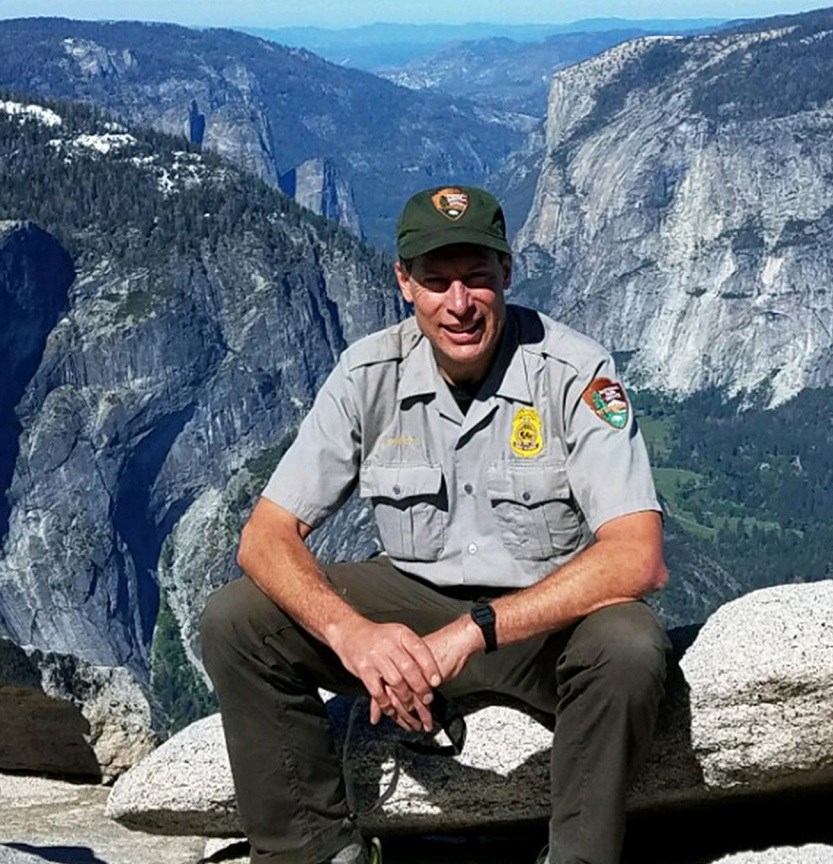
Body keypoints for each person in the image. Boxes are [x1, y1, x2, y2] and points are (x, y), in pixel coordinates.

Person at [200, 185, 671, 864]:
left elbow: (638, 558)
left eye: (478, 279)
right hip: (410, 606)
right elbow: (264, 537)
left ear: (507, 273)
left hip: (541, 626)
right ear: (404, 282)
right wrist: (354, 636)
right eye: (437, 281)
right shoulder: (368, 374)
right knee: (237, 619)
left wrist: (472, 632)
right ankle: (312, 852)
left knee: (629, 643)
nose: (459, 304)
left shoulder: (575, 372)